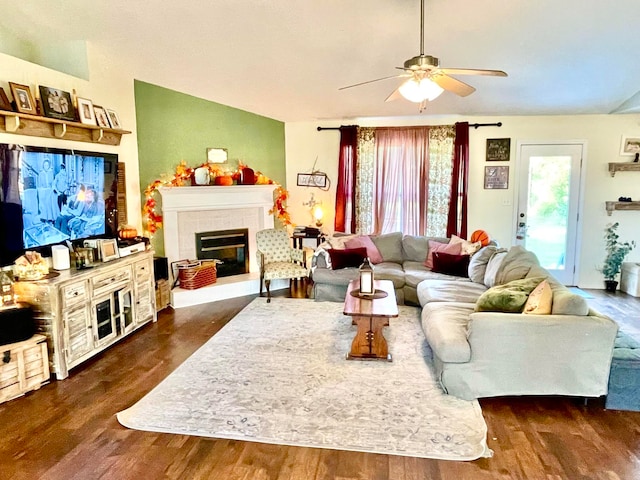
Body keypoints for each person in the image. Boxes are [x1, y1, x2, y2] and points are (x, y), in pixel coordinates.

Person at [36, 159, 58, 223]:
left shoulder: (51, 173)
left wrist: (53, 188)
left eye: (47, 165)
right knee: (44, 204)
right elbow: (39, 184)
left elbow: (53, 183)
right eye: (45, 165)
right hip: (43, 191)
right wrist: (42, 189)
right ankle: (45, 217)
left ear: (49, 166)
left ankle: (51, 218)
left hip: (50, 190)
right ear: (43, 166)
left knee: (51, 202)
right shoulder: (41, 174)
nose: (46, 166)